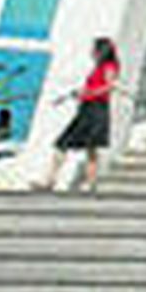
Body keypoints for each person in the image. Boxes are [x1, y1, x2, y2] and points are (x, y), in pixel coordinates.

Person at [40, 37, 120, 192]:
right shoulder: (98, 67)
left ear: (101, 51)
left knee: (91, 147)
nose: (92, 52)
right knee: (63, 143)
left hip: (97, 109)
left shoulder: (109, 66)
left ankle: (90, 184)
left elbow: (109, 87)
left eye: (94, 49)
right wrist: (81, 93)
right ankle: (50, 180)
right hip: (87, 108)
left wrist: (88, 92)